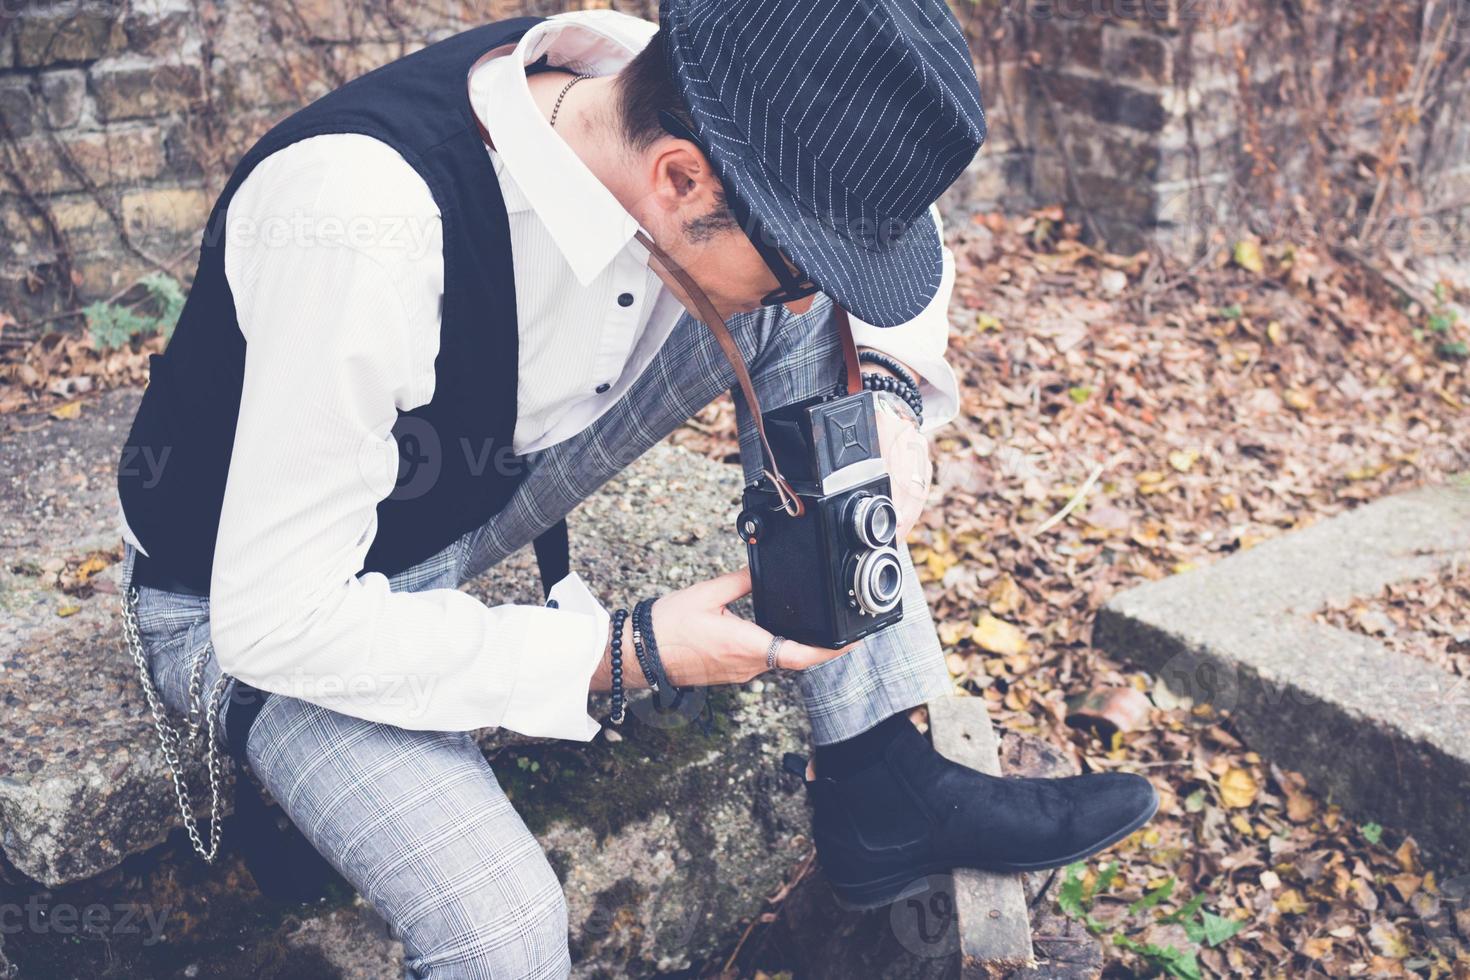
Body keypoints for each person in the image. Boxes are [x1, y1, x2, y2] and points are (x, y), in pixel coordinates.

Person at [115, 2, 1158, 975]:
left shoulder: (645, 80)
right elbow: (276, 620)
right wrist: (627, 651)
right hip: (243, 602)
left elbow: (889, 239)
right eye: (803, 261)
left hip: (477, 491)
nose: (806, 285)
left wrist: (880, 393)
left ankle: (878, 774)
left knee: (802, 314)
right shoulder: (359, 217)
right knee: (505, 921)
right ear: (679, 181)